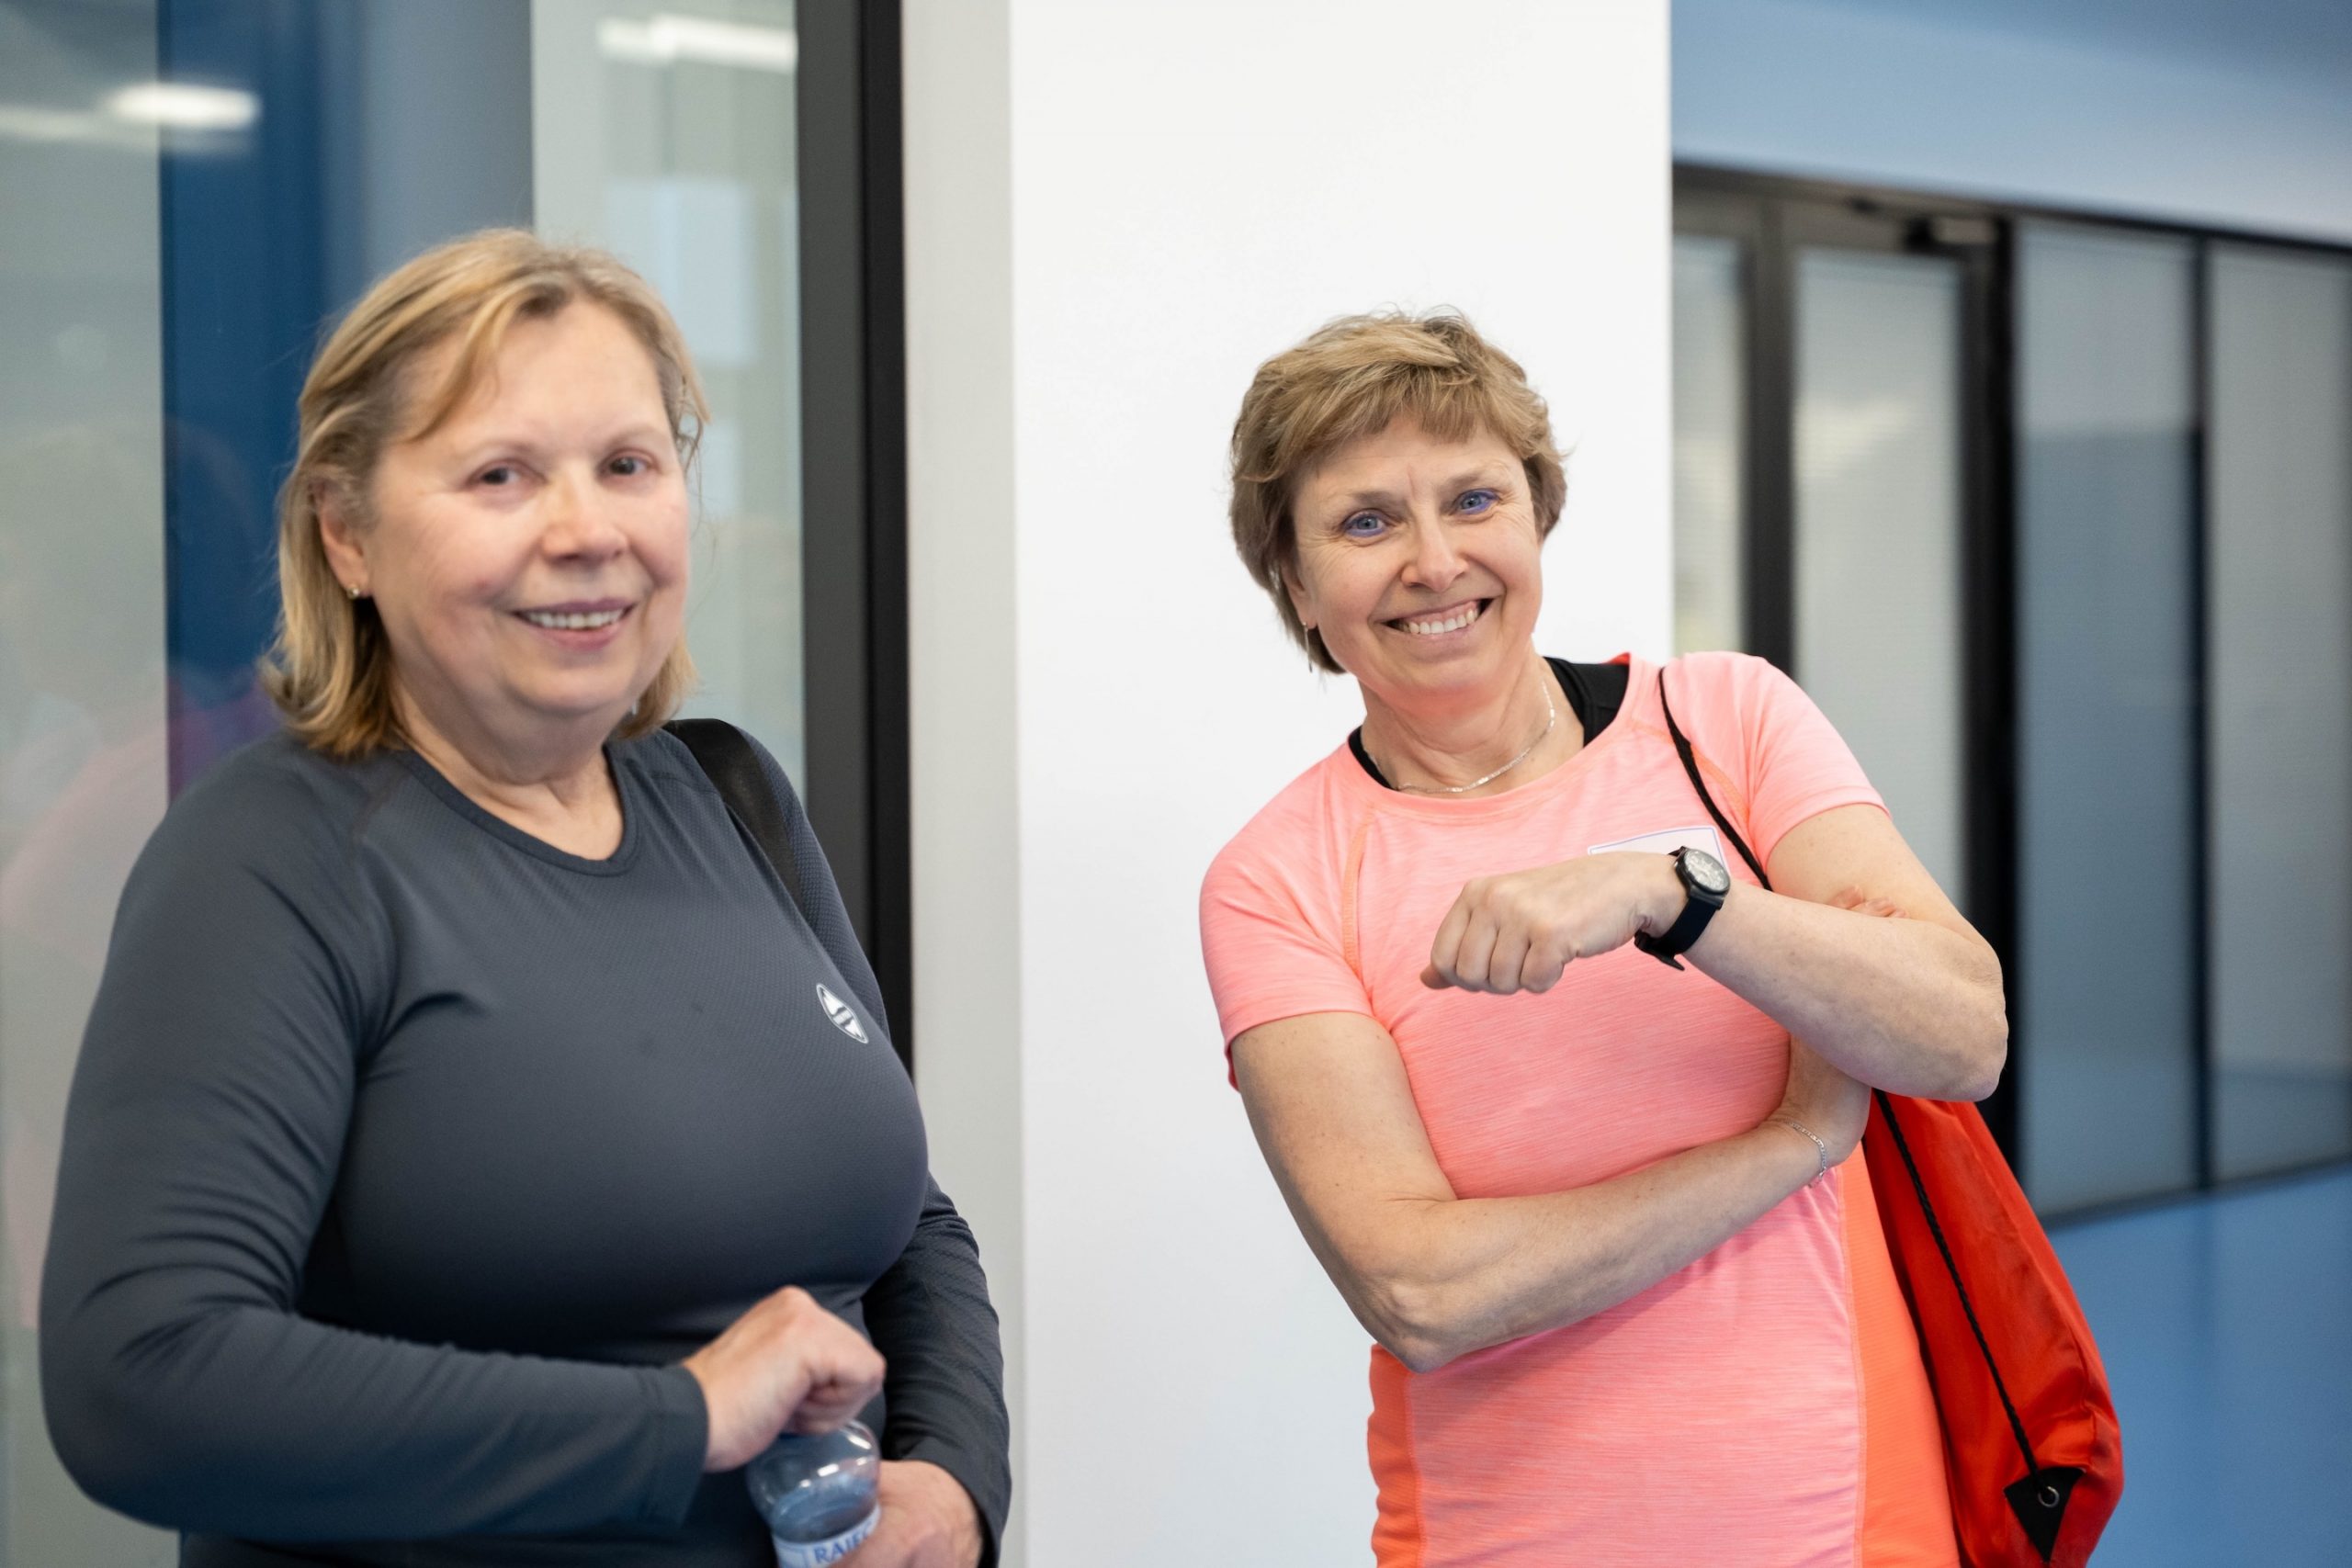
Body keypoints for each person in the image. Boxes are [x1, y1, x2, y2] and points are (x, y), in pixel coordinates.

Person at [40, 231, 1009, 1568]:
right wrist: (676, 1422)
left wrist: (955, 1476)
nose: (586, 531)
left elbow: (907, 1223)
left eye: (629, 465)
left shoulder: (728, 793)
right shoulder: (273, 857)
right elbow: (143, 1376)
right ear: (346, 533)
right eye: (501, 475)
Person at [1199, 311, 2007, 1566]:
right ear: (1296, 586)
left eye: (1474, 499)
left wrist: (1675, 896)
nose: (1434, 562)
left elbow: (1961, 1032)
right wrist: (1791, 1145)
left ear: (1537, 515)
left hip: (1853, 1527)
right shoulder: (1278, 881)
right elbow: (1423, 1292)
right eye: (1366, 523)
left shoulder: (1726, 722)